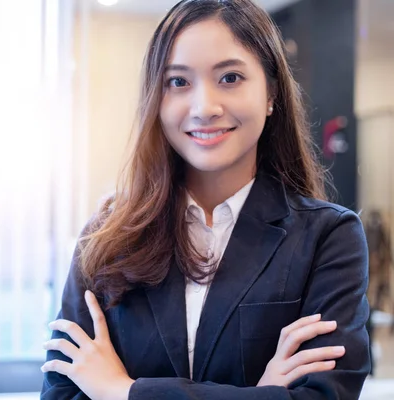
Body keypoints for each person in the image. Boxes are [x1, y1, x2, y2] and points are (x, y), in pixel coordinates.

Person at [40, 0, 371, 399]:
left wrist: (121, 391)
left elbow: (322, 396)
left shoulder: (328, 237)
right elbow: (63, 392)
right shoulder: (108, 234)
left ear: (271, 94)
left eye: (230, 77)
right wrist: (260, 394)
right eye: (178, 82)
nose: (204, 108)